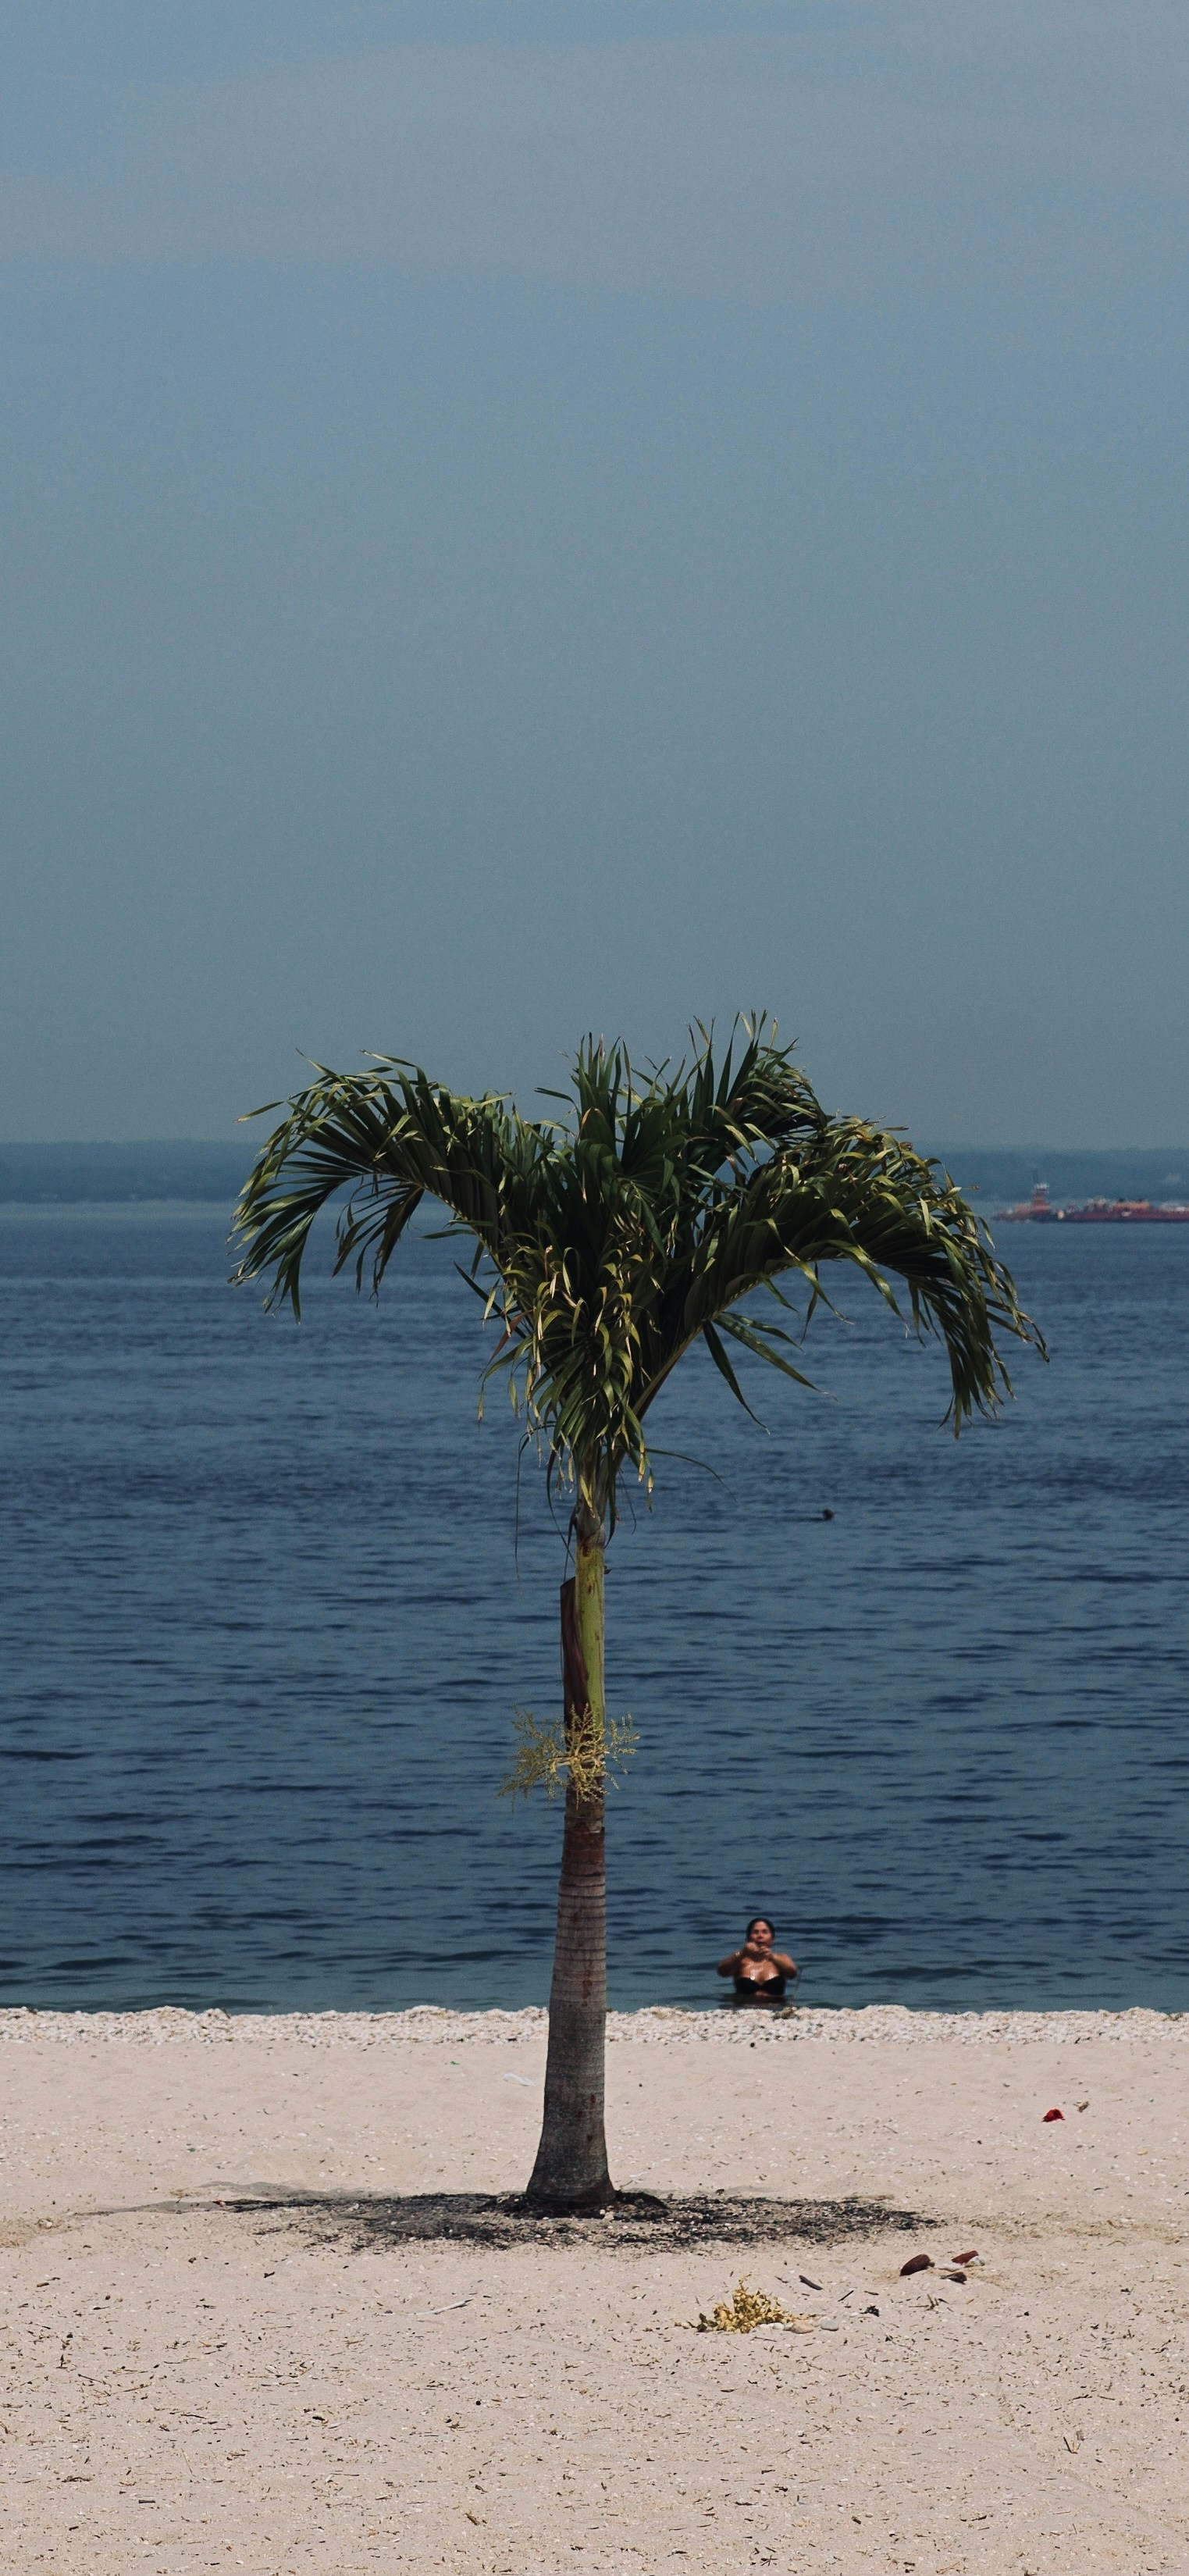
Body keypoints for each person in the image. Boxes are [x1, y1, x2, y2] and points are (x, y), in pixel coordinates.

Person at [717, 1917, 797, 2004]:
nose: (760, 1936)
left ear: (772, 1939)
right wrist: (743, 1952)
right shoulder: (740, 1961)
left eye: (765, 1932)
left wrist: (772, 1957)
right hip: (744, 2011)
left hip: (775, 2011)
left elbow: (792, 1974)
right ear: (748, 1938)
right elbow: (722, 1972)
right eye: (755, 1932)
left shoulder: (781, 1958)